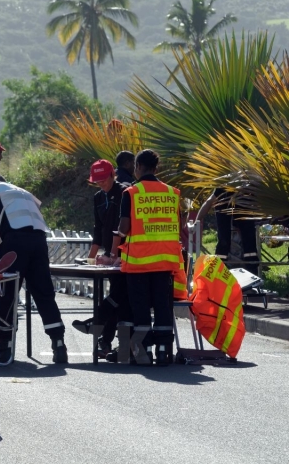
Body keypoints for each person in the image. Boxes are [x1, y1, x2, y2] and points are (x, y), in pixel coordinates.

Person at [0, 173, 69, 364]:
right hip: (39, 242)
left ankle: (3, 348)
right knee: (44, 293)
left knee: (5, 293)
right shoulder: (21, 192)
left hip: (15, 244)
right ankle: (58, 343)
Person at [117, 149, 182, 366]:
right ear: (156, 168)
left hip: (138, 262)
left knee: (141, 308)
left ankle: (144, 351)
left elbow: (124, 228)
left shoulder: (132, 193)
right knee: (163, 306)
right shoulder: (173, 193)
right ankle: (164, 351)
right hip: (165, 262)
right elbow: (180, 227)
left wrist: (118, 234)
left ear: (137, 167)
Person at [71, 159, 131, 359]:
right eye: (96, 181)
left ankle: (98, 326)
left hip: (125, 253)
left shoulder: (124, 192)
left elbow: (120, 228)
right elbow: (98, 229)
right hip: (108, 252)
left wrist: (113, 255)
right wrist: (90, 258)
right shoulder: (98, 198)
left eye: (103, 179)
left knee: (119, 295)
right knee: (116, 296)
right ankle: (104, 338)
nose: (100, 184)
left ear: (113, 175)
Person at [196, 188, 259, 276]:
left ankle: (252, 271)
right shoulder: (223, 189)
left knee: (248, 243)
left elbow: (209, 201)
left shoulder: (247, 188)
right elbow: (209, 201)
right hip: (225, 216)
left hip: (244, 213)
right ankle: (220, 271)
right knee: (224, 242)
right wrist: (197, 221)